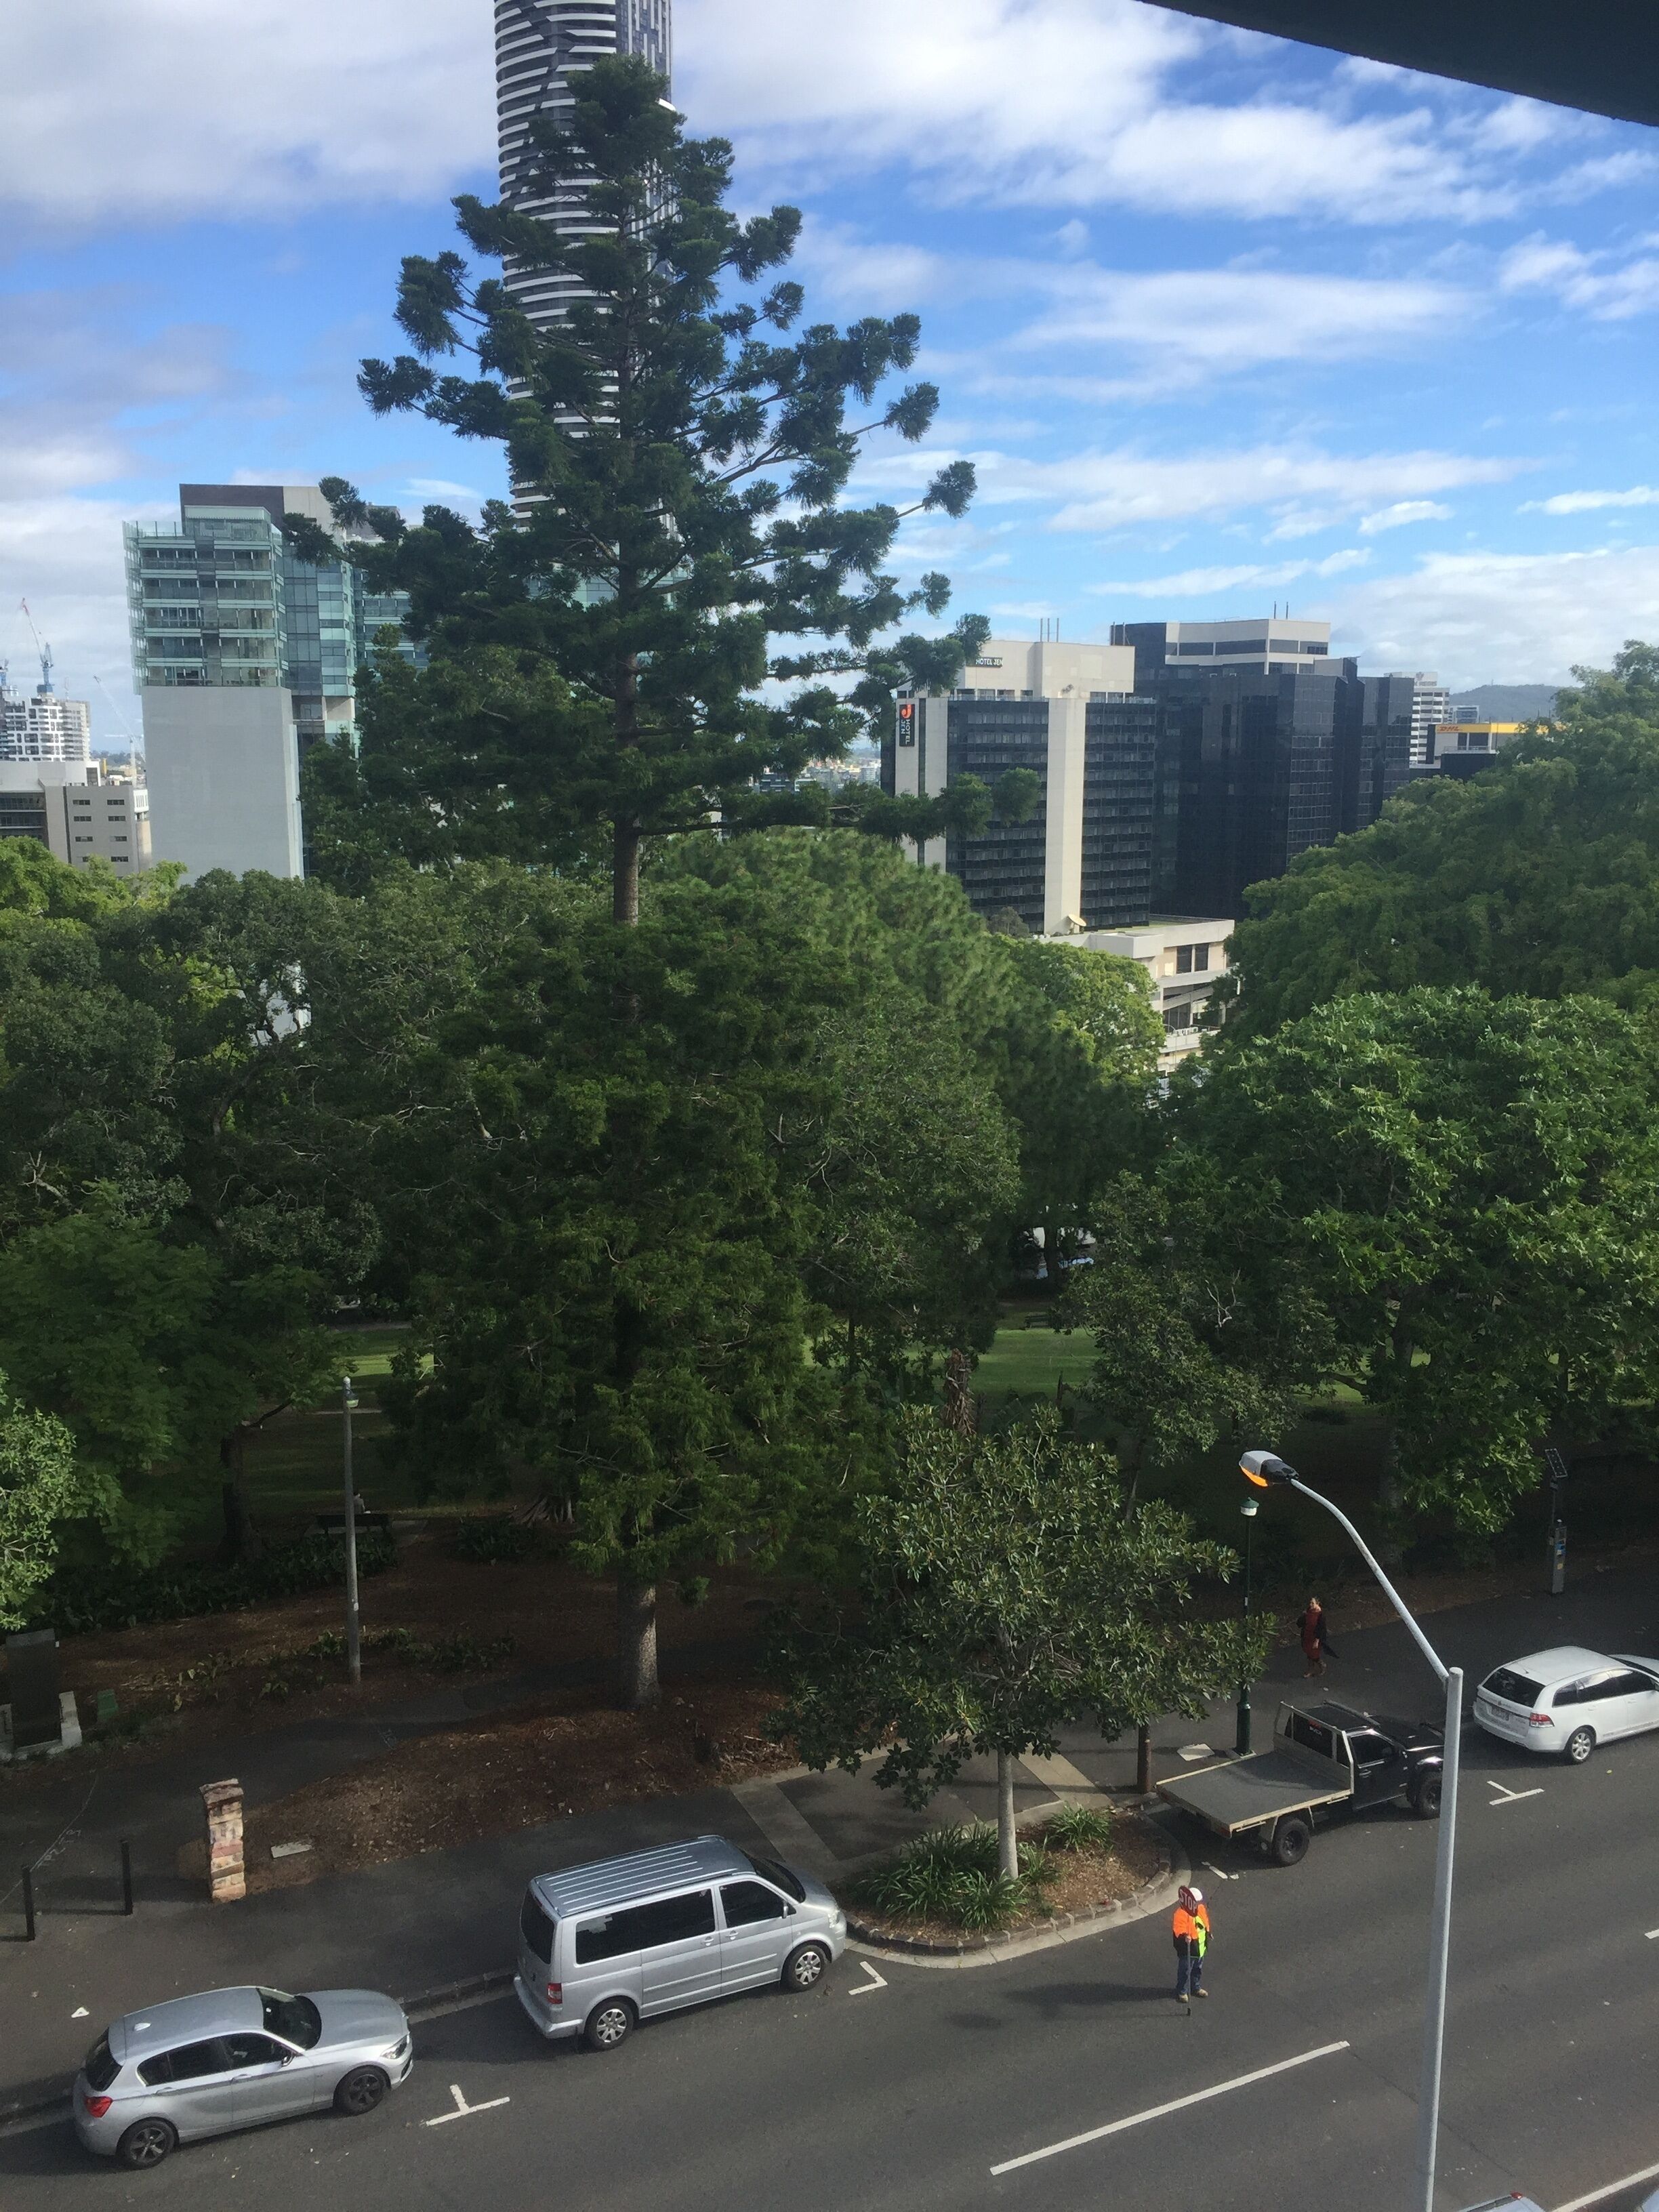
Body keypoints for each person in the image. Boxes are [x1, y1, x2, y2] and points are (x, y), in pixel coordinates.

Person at [1172, 1883, 1210, 2003]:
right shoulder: (1181, 1913)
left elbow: (1205, 1921)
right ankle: (1182, 1991)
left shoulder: (1201, 1909)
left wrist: (1209, 1931)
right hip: (1188, 1947)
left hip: (1200, 1947)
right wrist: (1185, 1936)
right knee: (1185, 1970)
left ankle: (1196, 1987)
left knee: (1197, 1969)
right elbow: (1179, 1928)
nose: (1199, 1904)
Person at [1300, 1597, 1328, 1678]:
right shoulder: (1309, 1611)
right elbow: (1302, 1622)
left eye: (1313, 1603)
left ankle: (1321, 1665)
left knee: (1314, 1654)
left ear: (1317, 1604)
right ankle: (1311, 1670)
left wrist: (1317, 1640)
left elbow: (1321, 1629)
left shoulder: (1321, 1616)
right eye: (1310, 1603)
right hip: (1307, 1635)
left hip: (1315, 1637)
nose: (1311, 1605)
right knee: (1309, 1653)